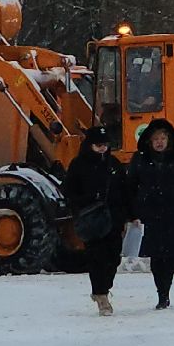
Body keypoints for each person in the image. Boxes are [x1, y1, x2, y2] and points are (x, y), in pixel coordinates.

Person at [127, 118, 174, 309]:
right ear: (150, 140)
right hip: (149, 213)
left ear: (169, 139)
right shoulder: (140, 158)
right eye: (156, 138)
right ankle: (162, 293)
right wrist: (133, 211)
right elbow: (131, 185)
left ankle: (166, 288)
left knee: (172, 254)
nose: (159, 142)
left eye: (163, 138)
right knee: (156, 256)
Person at [64, 125, 126, 316]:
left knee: (114, 258)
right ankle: (101, 296)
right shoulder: (78, 165)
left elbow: (126, 190)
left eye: (105, 144)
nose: (102, 148)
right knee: (96, 258)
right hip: (91, 219)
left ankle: (103, 288)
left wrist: (130, 215)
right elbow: (69, 192)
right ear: (89, 145)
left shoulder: (114, 164)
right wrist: (86, 203)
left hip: (114, 219)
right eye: (98, 145)